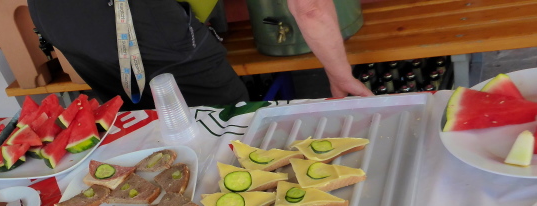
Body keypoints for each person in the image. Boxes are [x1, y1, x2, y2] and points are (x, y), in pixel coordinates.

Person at [27, 0, 369, 109]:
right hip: (127, 16)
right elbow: (310, 7)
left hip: (53, 14)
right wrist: (341, 75)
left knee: (138, 123)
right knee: (227, 124)